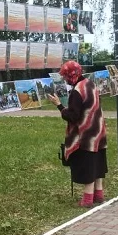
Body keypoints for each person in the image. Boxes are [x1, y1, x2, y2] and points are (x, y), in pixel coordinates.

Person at [47, 61, 108, 208]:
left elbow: (73, 116)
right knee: (97, 164)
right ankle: (99, 195)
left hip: (85, 135)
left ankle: (87, 200)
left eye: (65, 76)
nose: (65, 79)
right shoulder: (90, 84)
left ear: (71, 75)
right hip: (98, 131)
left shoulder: (77, 91)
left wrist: (59, 105)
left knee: (88, 166)